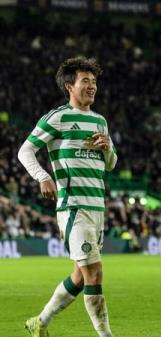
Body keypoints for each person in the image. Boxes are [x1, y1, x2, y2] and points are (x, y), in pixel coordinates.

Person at [18, 57, 116, 337]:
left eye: (94, 81)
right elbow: (25, 150)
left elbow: (110, 164)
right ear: (69, 86)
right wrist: (43, 176)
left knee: (79, 275)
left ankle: (39, 322)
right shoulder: (57, 118)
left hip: (98, 206)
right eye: (86, 81)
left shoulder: (99, 121)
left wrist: (107, 148)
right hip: (74, 207)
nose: (92, 86)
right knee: (94, 273)